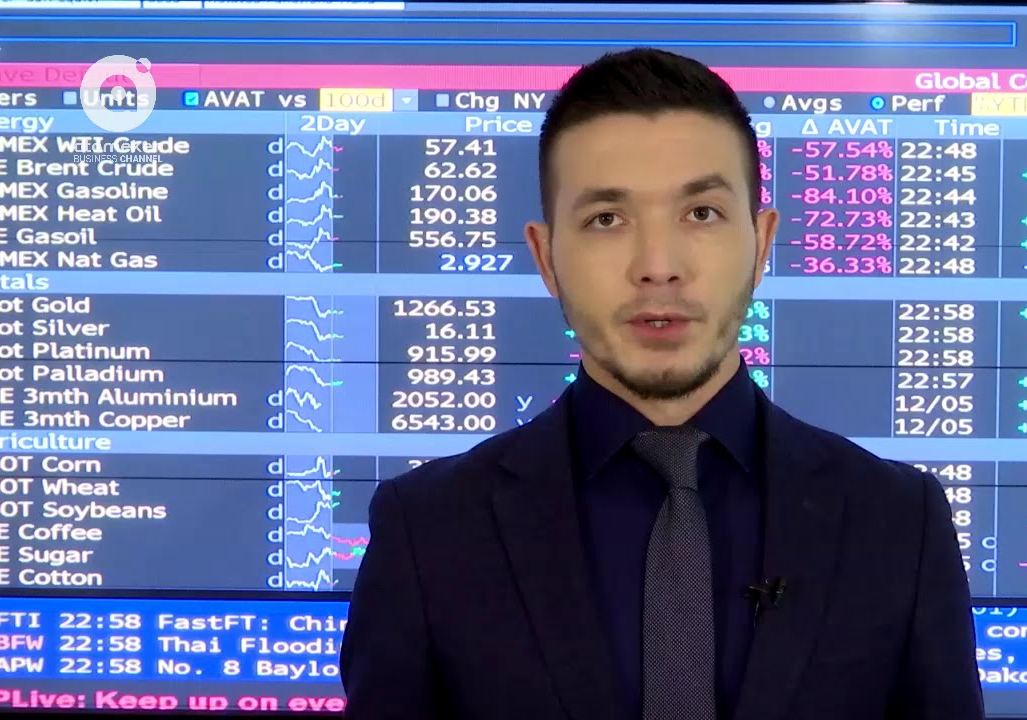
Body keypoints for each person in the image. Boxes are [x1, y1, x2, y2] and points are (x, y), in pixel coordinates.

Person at [340, 47, 985, 720]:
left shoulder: (900, 521)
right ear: (546, 257)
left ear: (762, 244)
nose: (657, 266)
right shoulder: (428, 530)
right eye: (606, 219)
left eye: (701, 213)